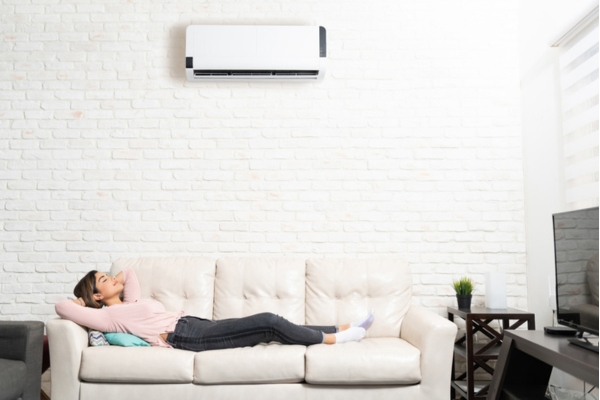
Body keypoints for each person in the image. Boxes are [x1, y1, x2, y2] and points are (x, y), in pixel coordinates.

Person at [55, 268, 375, 352]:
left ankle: (340, 329)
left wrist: (110, 283)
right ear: (97, 296)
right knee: (267, 321)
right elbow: (61, 306)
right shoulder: (106, 316)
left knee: (269, 326)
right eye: (103, 280)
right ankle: (335, 341)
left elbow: (129, 273)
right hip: (184, 336)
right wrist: (82, 303)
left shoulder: (129, 304)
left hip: (192, 323)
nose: (113, 279)